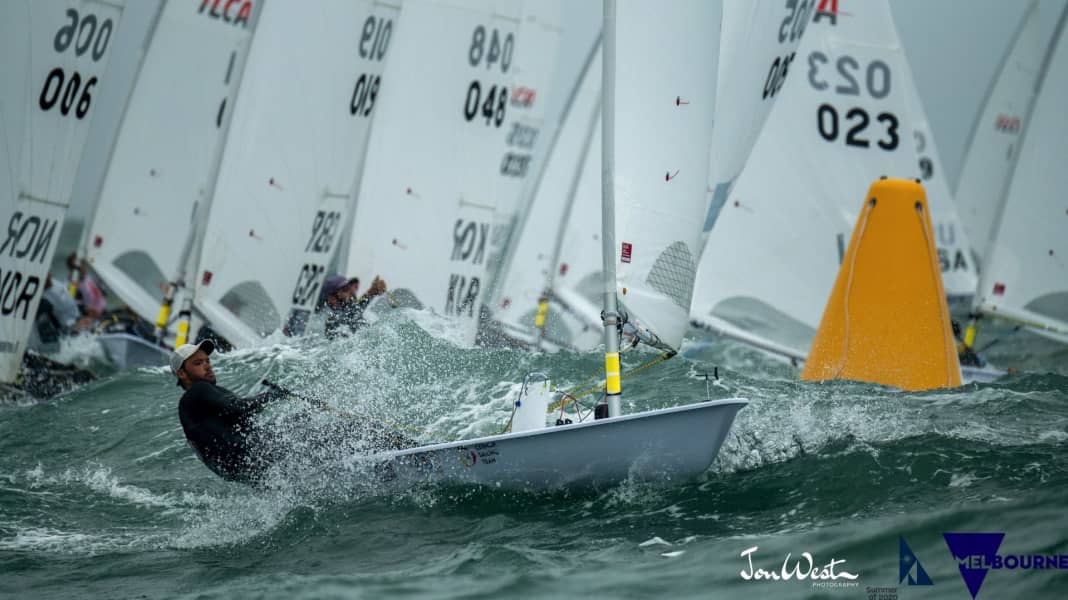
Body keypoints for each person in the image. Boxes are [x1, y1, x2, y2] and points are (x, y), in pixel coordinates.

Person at [173, 340, 415, 485]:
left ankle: (361, 467)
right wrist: (273, 395)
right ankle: (408, 452)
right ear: (182, 374)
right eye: (198, 363)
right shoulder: (197, 393)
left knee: (302, 426)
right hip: (258, 454)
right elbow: (241, 408)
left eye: (207, 361)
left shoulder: (194, 406)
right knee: (337, 428)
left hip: (248, 470)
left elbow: (238, 418)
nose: (207, 366)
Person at [318, 274, 388, 339]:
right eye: (345, 290)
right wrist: (370, 293)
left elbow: (354, 309)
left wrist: (371, 293)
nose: (350, 292)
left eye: (350, 288)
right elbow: (351, 313)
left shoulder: (348, 309)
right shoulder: (332, 320)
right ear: (331, 298)